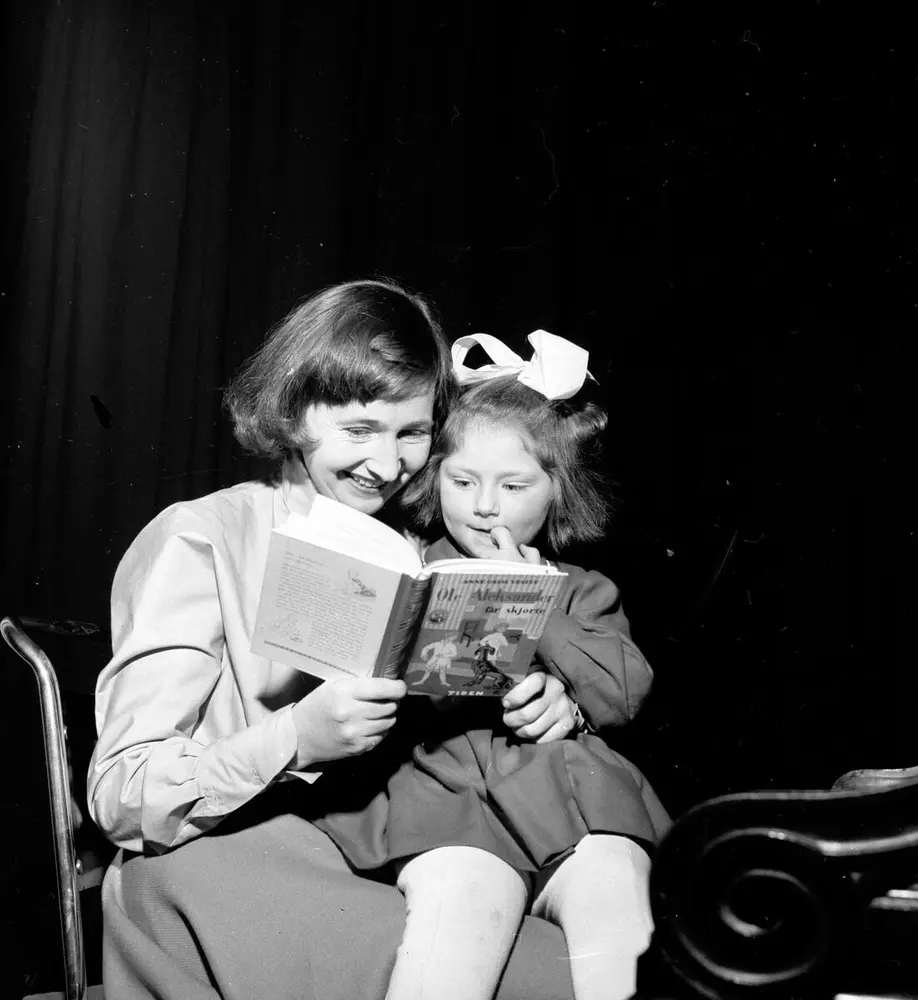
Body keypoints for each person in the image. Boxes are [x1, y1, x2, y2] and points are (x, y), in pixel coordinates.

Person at [86, 280, 583, 1000]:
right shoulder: (202, 537)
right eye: (358, 430)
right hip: (214, 854)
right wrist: (296, 738)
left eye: (411, 434)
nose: (385, 465)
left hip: (376, 850)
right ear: (293, 412)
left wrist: (548, 703)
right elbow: (121, 795)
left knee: (577, 964)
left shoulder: (419, 552)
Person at [313, 330, 672, 1000]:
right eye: (462, 481)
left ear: (557, 491)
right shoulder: (405, 570)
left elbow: (623, 693)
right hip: (447, 803)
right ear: (434, 479)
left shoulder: (583, 589)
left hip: (576, 804)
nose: (484, 506)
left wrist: (543, 619)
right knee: (456, 917)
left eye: (513, 485)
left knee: (617, 904)